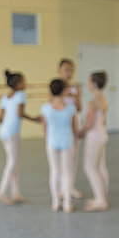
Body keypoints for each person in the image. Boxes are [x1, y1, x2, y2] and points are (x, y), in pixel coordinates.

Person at [0, 70, 40, 205]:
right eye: (23, 81)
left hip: (3, 131)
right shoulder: (21, 95)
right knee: (12, 162)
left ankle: (15, 192)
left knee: (15, 161)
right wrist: (35, 119)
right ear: (18, 84)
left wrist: (5, 127)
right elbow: (20, 113)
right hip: (12, 132)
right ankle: (1, 191)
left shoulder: (6, 96)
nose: (25, 83)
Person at [40, 79, 78, 213]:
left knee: (54, 172)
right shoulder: (71, 108)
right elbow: (74, 129)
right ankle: (68, 204)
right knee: (67, 173)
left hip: (52, 142)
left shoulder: (45, 108)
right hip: (67, 142)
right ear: (64, 91)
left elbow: (44, 128)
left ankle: (55, 202)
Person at [78, 71, 109, 212]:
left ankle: (101, 200)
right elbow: (104, 120)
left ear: (94, 84)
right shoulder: (103, 99)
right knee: (100, 167)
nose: (88, 84)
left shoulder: (92, 102)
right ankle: (101, 196)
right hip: (102, 133)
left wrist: (80, 133)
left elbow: (89, 124)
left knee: (89, 167)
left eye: (89, 81)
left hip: (94, 136)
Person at [58, 58, 83, 199]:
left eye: (71, 70)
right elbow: (51, 105)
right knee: (61, 157)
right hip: (61, 124)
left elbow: (79, 108)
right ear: (59, 70)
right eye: (66, 69)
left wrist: (74, 95)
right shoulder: (55, 86)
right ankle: (61, 188)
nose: (69, 73)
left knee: (73, 156)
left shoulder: (75, 88)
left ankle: (70, 187)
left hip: (74, 122)